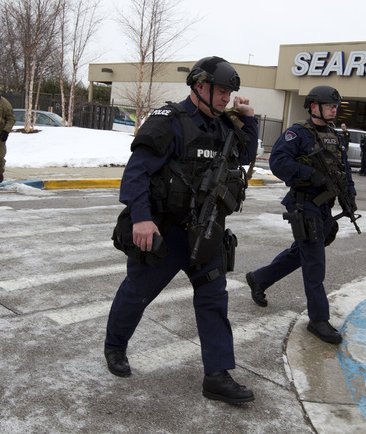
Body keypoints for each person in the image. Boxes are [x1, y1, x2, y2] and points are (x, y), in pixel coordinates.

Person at [104, 56, 258, 404]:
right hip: (166, 231)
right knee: (137, 292)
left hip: (206, 231)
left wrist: (248, 119)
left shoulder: (224, 126)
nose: (226, 97)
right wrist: (141, 219)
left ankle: (217, 375)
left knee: (214, 299)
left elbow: (246, 153)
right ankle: (115, 346)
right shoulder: (168, 122)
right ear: (199, 85)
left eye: (230, 92)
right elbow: (136, 173)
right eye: (222, 91)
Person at [245, 85, 356, 345]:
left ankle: (259, 279)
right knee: (314, 262)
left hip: (324, 206)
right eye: (330, 105)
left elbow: (344, 168)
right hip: (304, 205)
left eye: (336, 106)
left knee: (303, 252)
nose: (334, 110)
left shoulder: (333, 134)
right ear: (314, 107)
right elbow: (278, 162)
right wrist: (310, 174)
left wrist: (349, 196)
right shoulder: (298, 133)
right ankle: (318, 319)